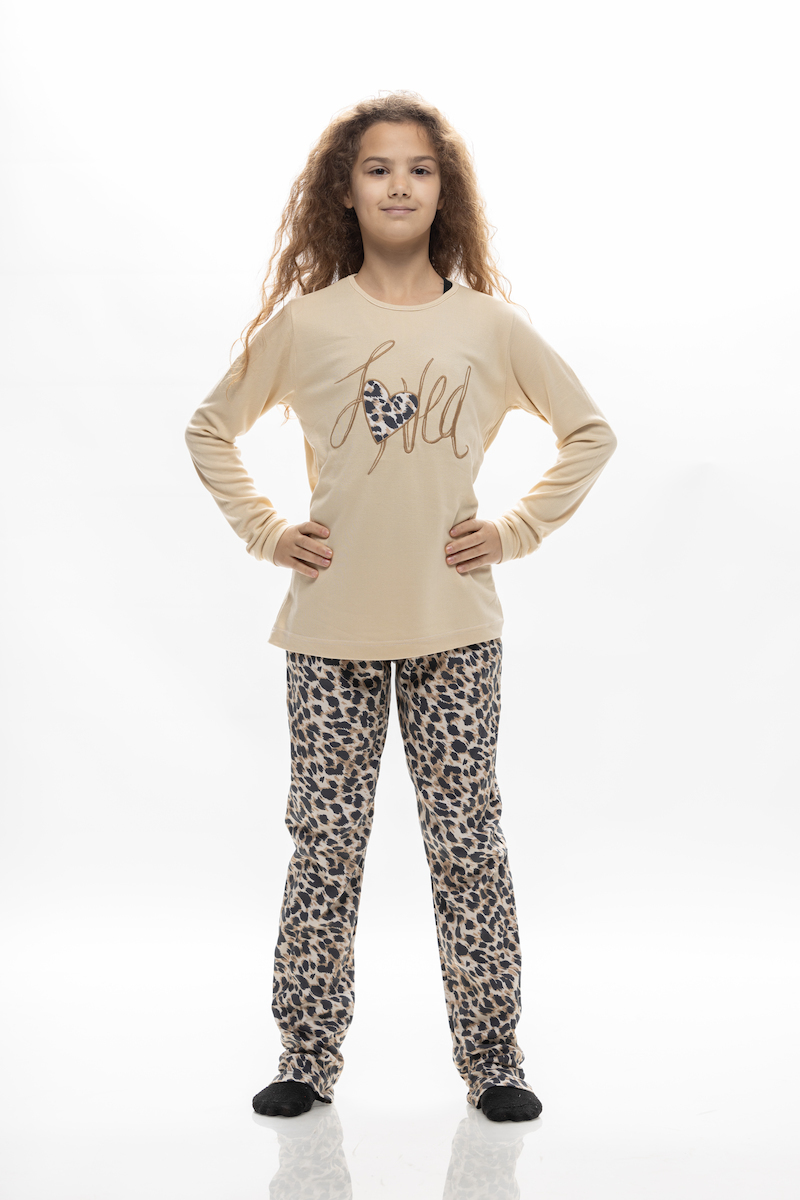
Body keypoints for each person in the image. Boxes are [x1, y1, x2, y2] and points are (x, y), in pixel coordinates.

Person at [184, 91, 617, 1124]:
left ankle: (494, 1061)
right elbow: (209, 428)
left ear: (443, 189)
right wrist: (268, 531)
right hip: (329, 630)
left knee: (467, 846)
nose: (398, 185)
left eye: (419, 168)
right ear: (344, 188)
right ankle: (306, 1057)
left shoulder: (488, 326)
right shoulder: (307, 324)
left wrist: (514, 531)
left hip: (453, 630)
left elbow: (589, 432)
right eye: (377, 167)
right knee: (325, 846)